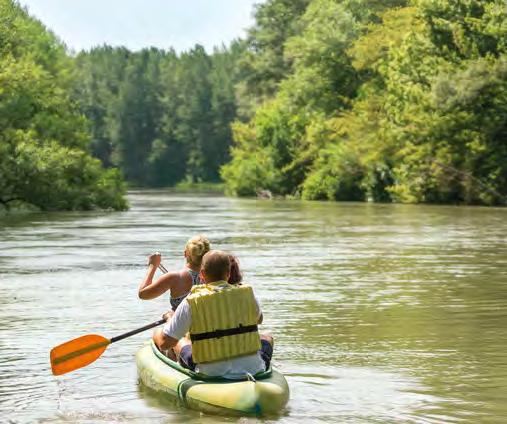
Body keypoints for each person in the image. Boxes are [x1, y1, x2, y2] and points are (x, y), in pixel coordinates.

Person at [153, 250, 273, 379]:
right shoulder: (247, 293)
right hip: (253, 368)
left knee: (174, 338)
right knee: (267, 337)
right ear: (228, 273)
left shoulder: (192, 300)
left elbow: (165, 343)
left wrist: (170, 318)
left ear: (202, 274)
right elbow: (259, 319)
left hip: (211, 372)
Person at [138, 235, 210, 311]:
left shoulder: (175, 277)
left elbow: (143, 294)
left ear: (185, 254)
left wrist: (153, 266)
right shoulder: (217, 275)